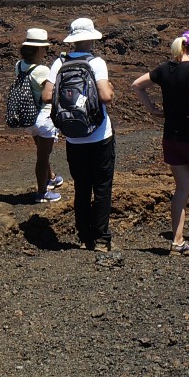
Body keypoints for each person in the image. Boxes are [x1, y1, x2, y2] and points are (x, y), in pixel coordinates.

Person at [133, 30, 189, 254]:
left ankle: (178, 241)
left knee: (182, 188)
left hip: (170, 136)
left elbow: (136, 85)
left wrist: (152, 109)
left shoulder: (164, 68)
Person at [43, 17, 117, 252]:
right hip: (99, 135)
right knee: (102, 187)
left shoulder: (59, 62)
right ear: (91, 39)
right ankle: (102, 239)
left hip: (73, 137)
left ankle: (85, 236)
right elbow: (106, 96)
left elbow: (46, 96)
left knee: (82, 187)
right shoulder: (96, 63)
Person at [17, 28, 62, 204]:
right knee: (42, 157)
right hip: (43, 118)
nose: (46, 50)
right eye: (44, 47)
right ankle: (42, 193)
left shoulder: (19, 65)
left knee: (43, 152)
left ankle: (50, 177)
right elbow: (48, 94)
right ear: (38, 49)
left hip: (28, 117)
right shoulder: (42, 70)